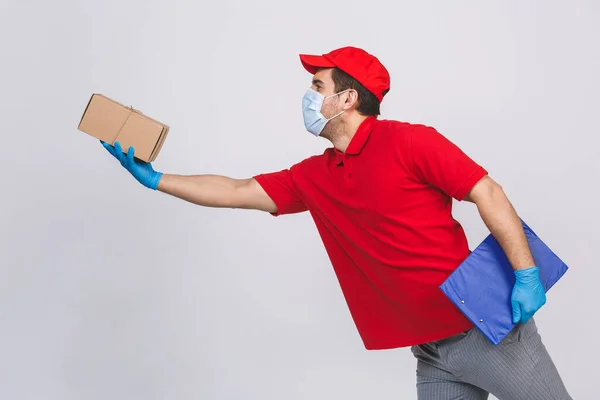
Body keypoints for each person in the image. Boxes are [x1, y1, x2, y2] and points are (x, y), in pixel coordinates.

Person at [100, 46, 571, 399]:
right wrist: (158, 179)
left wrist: (526, 273)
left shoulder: (410, 142)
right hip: (429, 352)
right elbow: (238, 191)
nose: (308, 96)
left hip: (483, 331)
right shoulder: (315, 175)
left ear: (347, 98)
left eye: (317, 86)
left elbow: (486, 190)